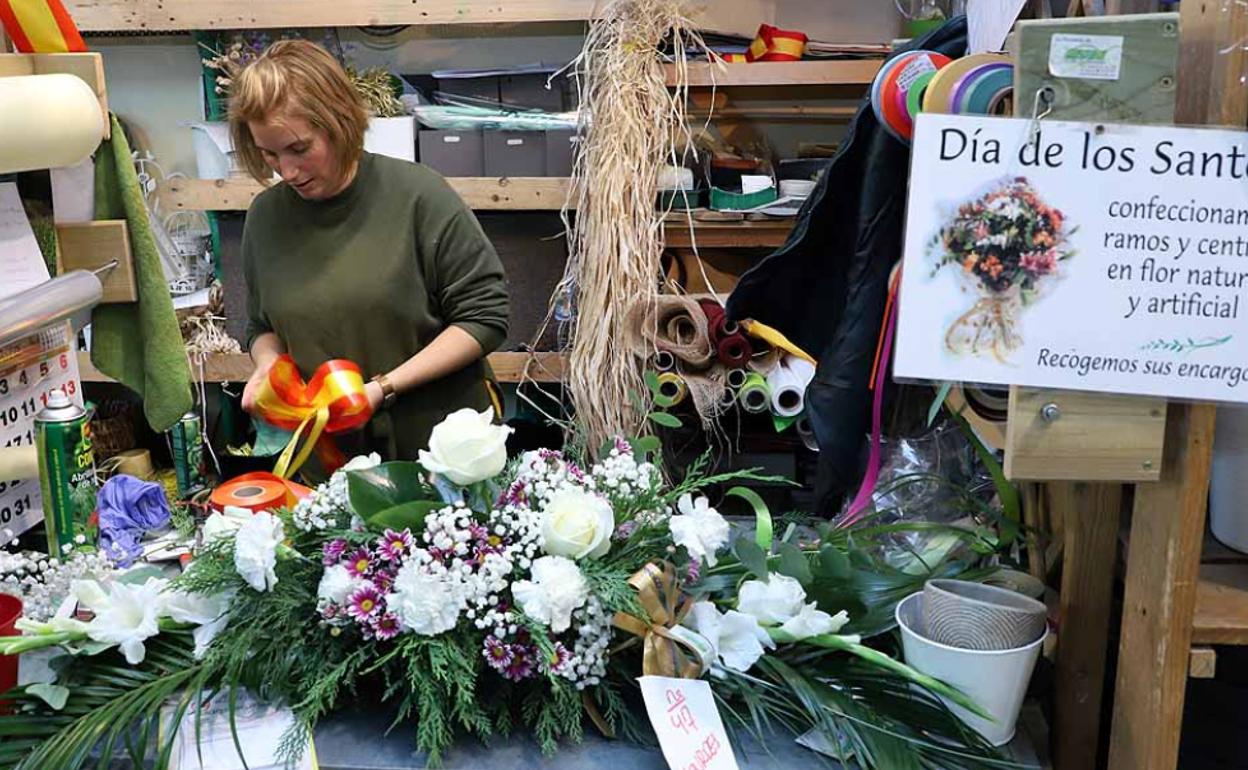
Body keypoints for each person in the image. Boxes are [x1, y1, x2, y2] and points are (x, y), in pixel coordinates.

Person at [229, 40, 509, 469]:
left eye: (300, 149)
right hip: (328, 462)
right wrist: (267, 364)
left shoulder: (419, 196)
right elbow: (262, 325)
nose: (285, 172)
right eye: (269, 153)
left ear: (339, 121)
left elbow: (484, 319)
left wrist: (382, 388)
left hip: (441, 456)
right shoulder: (265, 217)